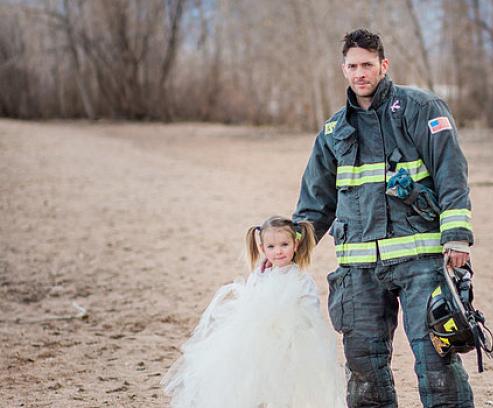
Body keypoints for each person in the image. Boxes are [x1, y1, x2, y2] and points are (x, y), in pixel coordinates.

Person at [293, 29, 476, 407]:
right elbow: (315, 203)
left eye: (367, 65)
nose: (360, 73)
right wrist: (289, 252)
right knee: (364, 368)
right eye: (353, 66)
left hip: (420, 261)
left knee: (437, 358)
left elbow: (450, 173)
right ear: (343, 69)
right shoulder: (332, 131)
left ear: (383, 65)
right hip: (358, 268)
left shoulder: (422, 109)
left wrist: (457, 236)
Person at [162, 216, 345, 408]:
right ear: (262, 249)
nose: (279, 251)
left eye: (284, 244)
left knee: (288, 384)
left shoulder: (301, 279)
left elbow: (311, 311)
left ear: (296, 244)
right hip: (259, 342)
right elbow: (249, 305)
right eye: (271, 247)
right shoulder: (259, 276)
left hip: (292, 343)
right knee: (256, 381)